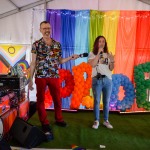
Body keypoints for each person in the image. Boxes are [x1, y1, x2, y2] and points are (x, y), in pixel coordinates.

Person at [28, 21, 79, 140]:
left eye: (48, 28)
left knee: (57, 98)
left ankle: (59, 119)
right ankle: (44, 123)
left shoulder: (57, 44)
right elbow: (33, 62)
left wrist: (71, 57)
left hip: (54, 75)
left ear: (51, 29)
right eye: (44, 28)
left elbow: (60, 61)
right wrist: (30, 79)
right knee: (40, 100)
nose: (47, 30)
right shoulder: (36, 44)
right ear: (40, 30)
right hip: (40, 76)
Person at [88, 35, 115, 129]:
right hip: (97, 80)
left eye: (103, 41)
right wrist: (98, 53)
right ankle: (96, 121)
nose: (101, 43)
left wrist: (112, 61)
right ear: (96, 43)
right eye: (99, 41)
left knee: (106, 101)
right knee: (96, 101)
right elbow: (92, 64)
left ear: (105, 43)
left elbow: (111, 68)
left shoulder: (108, 54)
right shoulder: (92, 53)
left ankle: (106, 120)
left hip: (108, 80)